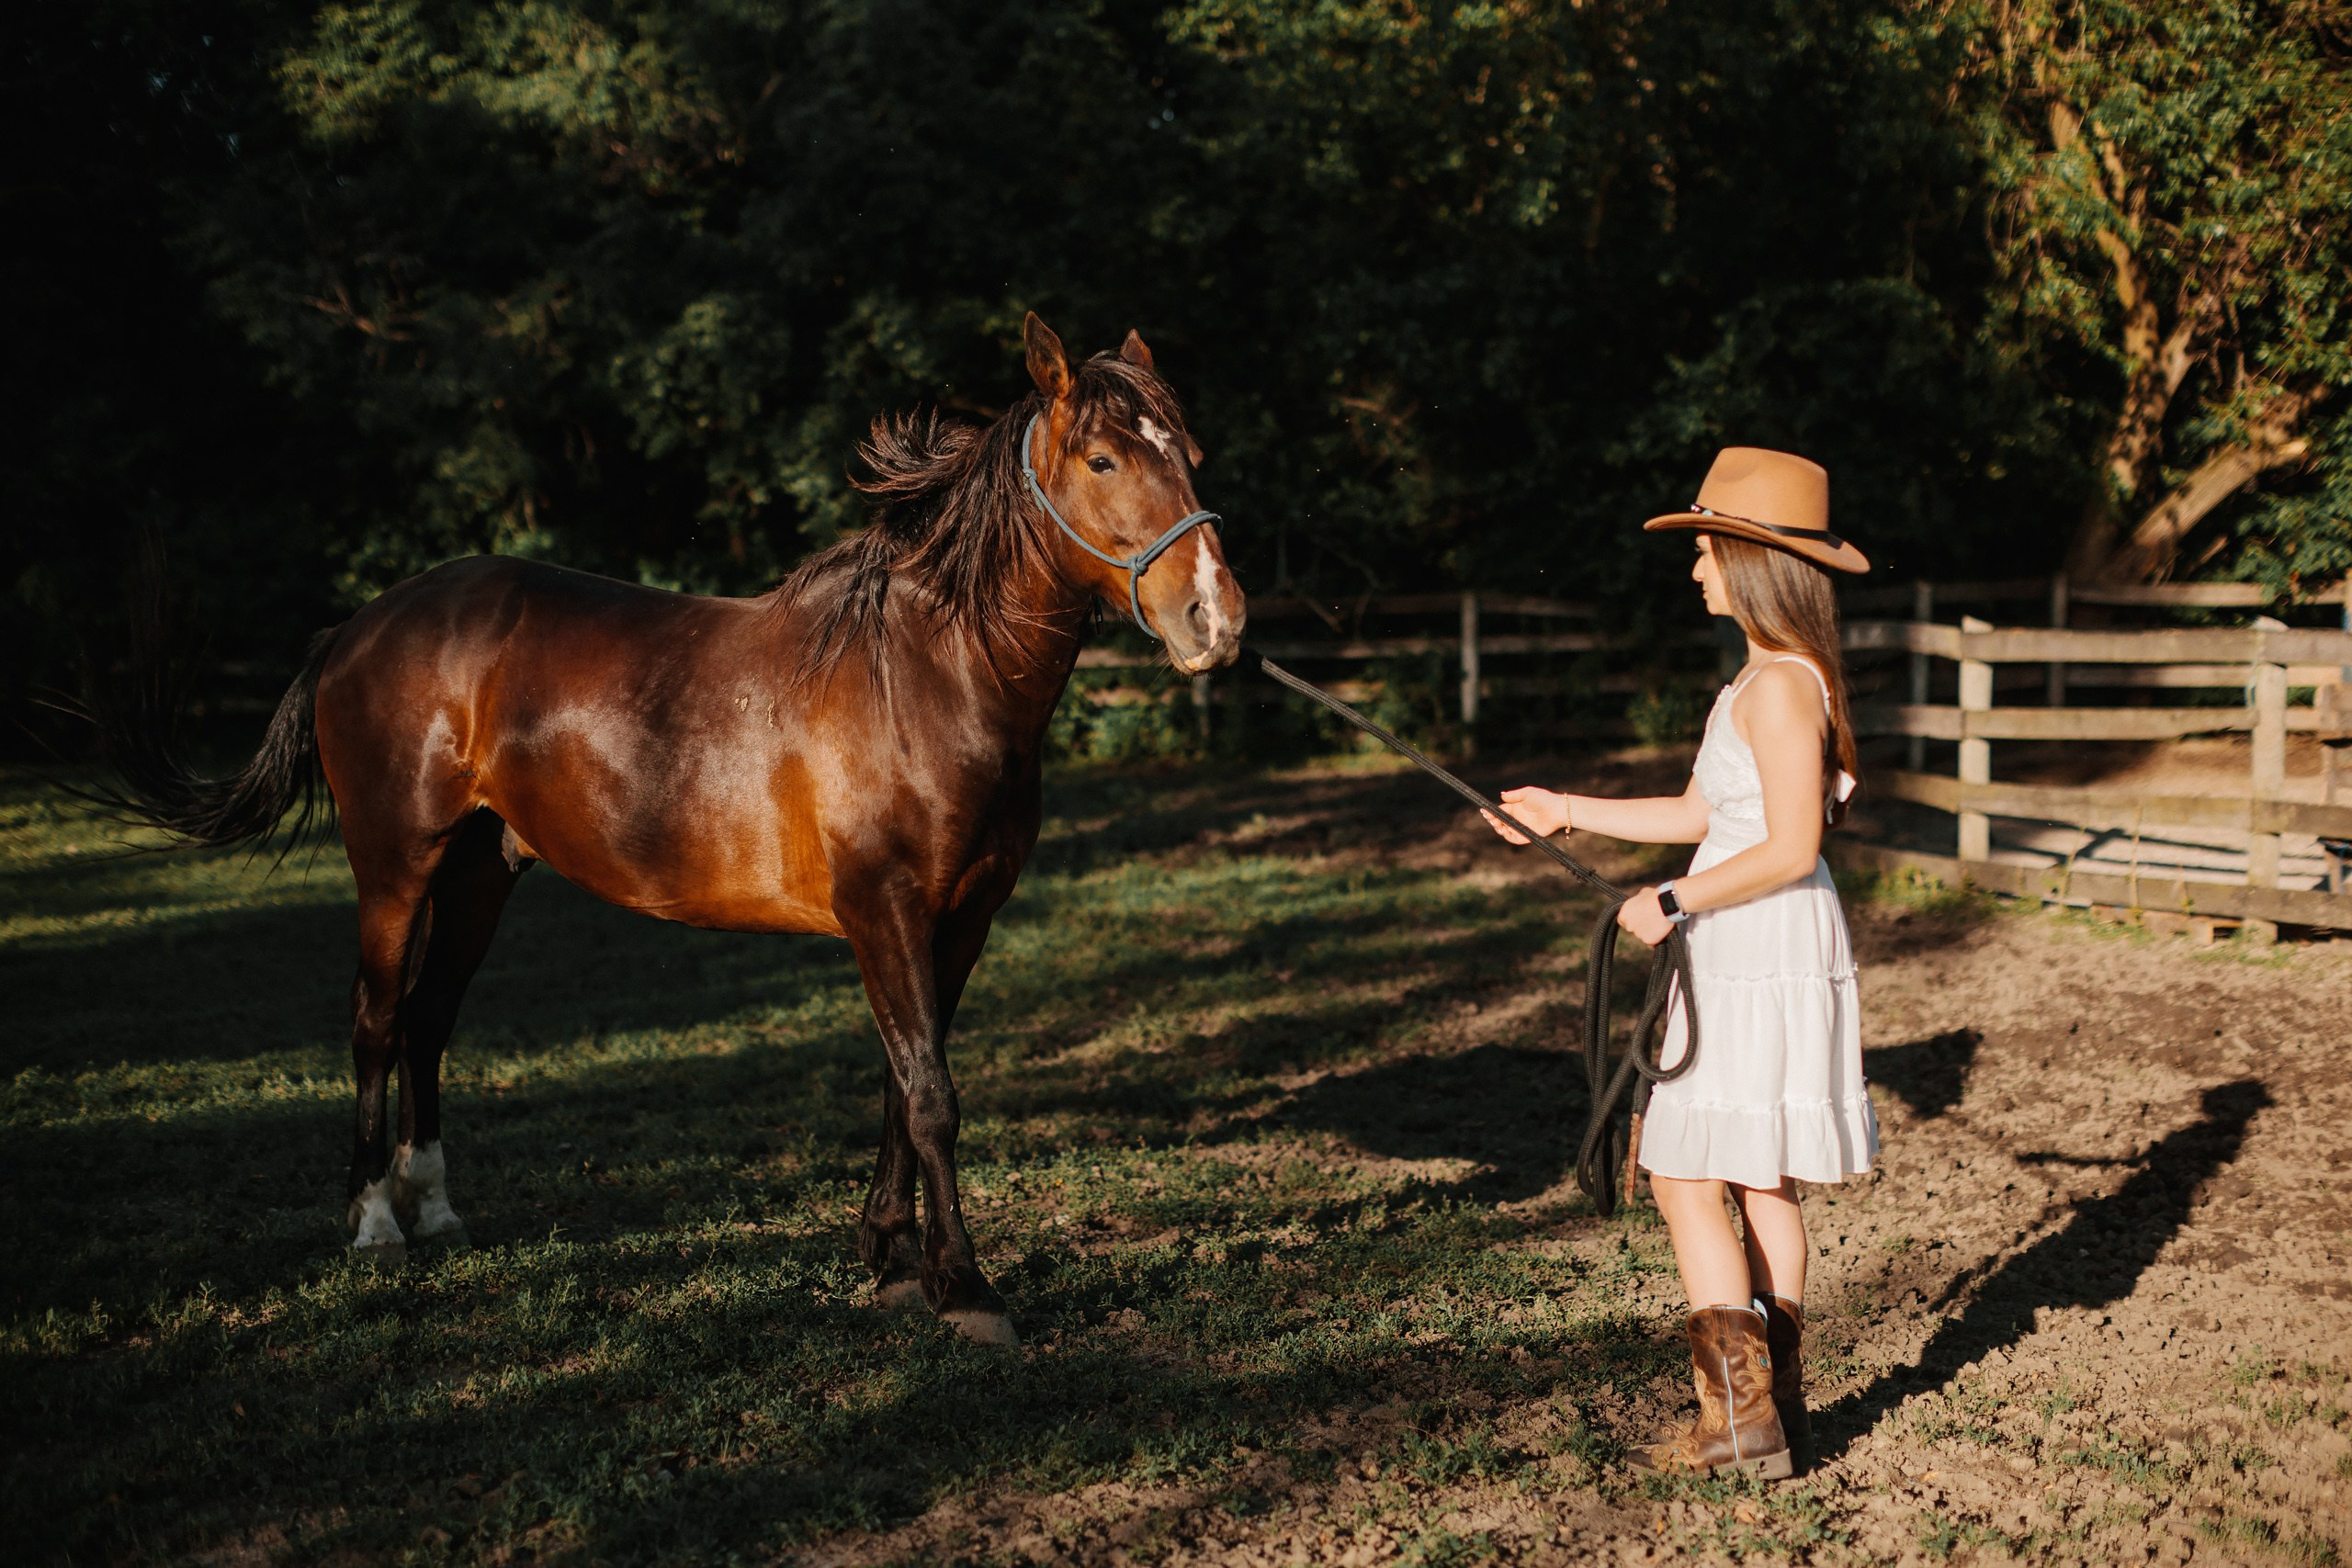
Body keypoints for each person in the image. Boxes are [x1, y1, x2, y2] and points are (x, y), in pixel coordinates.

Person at [1484, 447, 1878, 1478]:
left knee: (1682, 1175)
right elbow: (1704, 816)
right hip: (1753, 931)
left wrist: (1671, 897)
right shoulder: (1758, 680)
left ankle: (1743, 1422)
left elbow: (1793, 845)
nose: (1695, 568)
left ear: (1752, 562)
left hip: (1757, 936)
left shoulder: (1780, 688)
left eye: (1706, 549)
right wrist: (1563, 809)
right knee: (1757, 1181)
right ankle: (1772, 1416)